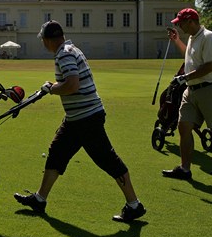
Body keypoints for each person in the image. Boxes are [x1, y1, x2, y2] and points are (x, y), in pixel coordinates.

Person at [14, 20, 146, 222]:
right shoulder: (71, 49)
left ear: (49, 40)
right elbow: (69, 81)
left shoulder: (63, 54)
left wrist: (52, 89)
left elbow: (72, 85)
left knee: (107, 159)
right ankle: (40, 199)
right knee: (57, 152)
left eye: (43, 40)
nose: (43, 44)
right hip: (77, 118)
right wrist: (54, 85)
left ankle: (134, 205)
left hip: (86, 118)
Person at [162, 8, 212, 179]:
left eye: (181, 23)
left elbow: (210, 66)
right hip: (191, 90)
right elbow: (190, 58)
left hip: (207, 89)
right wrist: (177, 41)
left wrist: (183, 77)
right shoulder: (193, 38)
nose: (180, 26)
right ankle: (185, 169)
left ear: (190, 21)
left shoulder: (208, 37)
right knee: (183, 126)